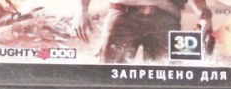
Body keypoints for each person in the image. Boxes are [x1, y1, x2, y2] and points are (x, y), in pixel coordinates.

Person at [73, 0, 212, 63]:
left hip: (165, 17)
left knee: (167, 77)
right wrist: (81, 11)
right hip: (123, 13)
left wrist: (204, 15)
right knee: (109, 74)